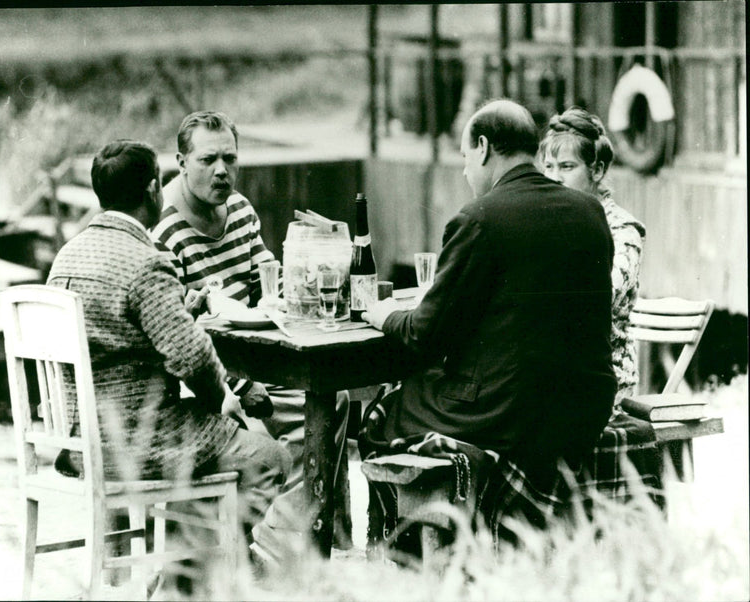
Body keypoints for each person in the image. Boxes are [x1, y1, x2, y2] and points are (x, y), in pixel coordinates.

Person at [362, 99, 617, 542]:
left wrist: (382, 314)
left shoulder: (479, 219)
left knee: (384, 412)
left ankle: (406, 553)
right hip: (583, 410)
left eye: (464, 158)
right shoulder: (589, 212)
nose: (464, 172)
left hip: (512, 415)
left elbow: (424, 334)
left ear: (482, 148)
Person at [47, 139, 290, 536]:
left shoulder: (66, 258)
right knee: (269, 459)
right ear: (152, 190)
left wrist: (180, 313)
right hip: (141, 443)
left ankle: (155, 569)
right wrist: (222, 402)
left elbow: (114, 334)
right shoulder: (147, 263)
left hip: (79, 444)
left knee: (212, 444)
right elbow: (192, 359)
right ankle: (197, 574)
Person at [151, 112, 351, 562]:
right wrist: (237, 386)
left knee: (330, 401)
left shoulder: (239, 209)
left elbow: (268, 281)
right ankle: (287, 544)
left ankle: (304, 541)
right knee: (307, 420)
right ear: (181, 162)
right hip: (205, 379)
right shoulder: (164, 229)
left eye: (230, 159)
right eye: (208, 160)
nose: (221, 170)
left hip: (255, 359)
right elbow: (176, 335)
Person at [539, 106, 646, 404]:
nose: (554, 178)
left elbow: (596, 300)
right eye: (548, 167)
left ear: (597, 170)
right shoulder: (546, 224)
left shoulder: (623, 230)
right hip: (553, 370)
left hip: (604, 379)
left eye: (567, 167)